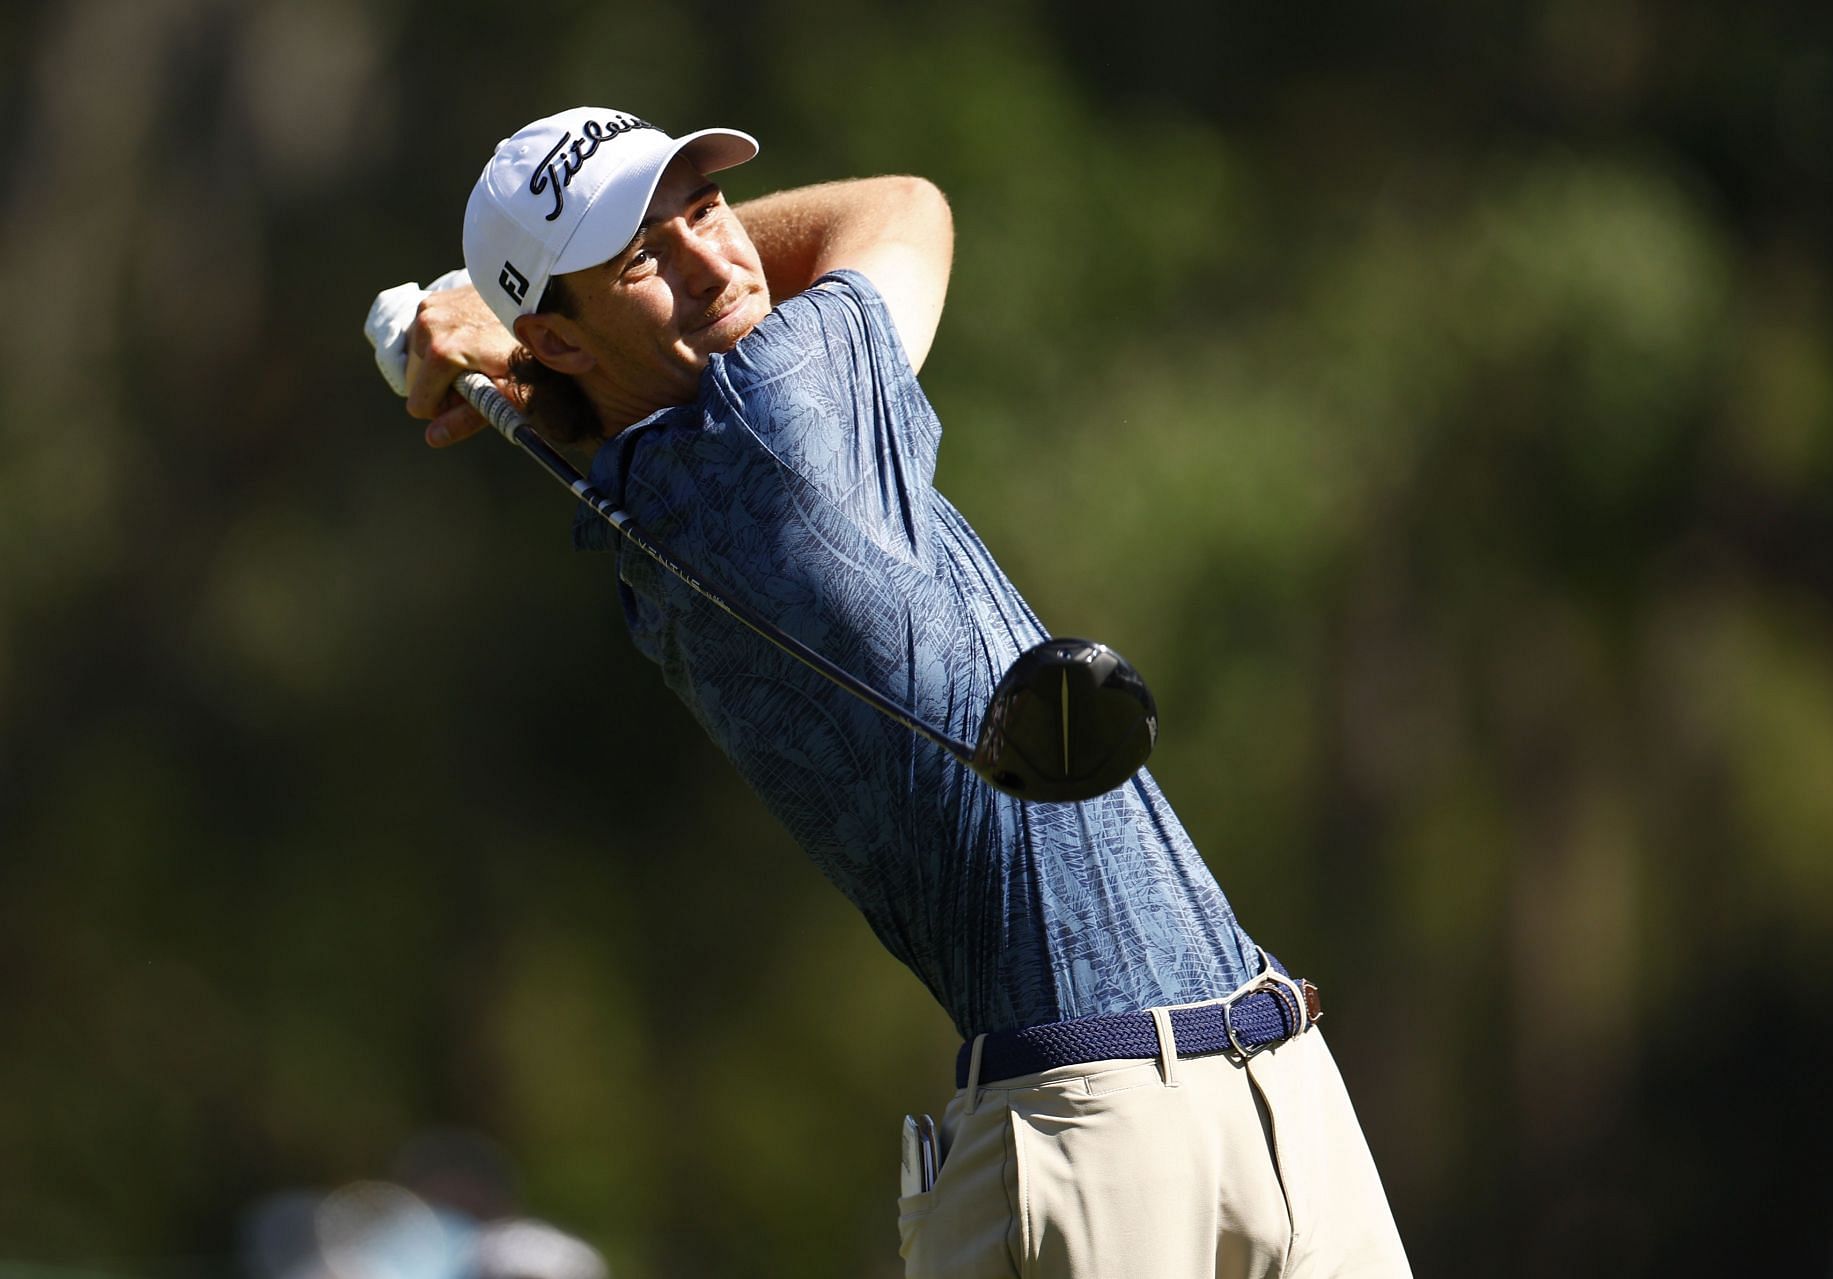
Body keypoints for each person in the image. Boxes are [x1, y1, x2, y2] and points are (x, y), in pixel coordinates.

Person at [365, 105, 1412, 1279]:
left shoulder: (652, 501)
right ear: (559, 343)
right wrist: (495, 321)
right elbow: (904, 208)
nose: (716, 257)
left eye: (705, 209)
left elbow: (622, 410)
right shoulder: (778, 409)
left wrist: (513, 328)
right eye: (644, 257)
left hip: (1259, 1074)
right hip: (1101, 1131)